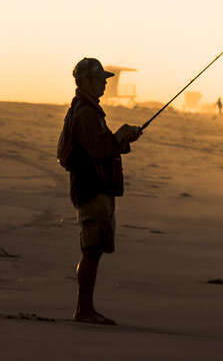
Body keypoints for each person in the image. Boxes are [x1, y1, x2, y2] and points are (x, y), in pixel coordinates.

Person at [57, 57, 142, 325]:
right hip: (91, 188)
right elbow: (98, 149)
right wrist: (120, 136)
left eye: (105, 81)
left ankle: (86, 308)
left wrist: (123, 139)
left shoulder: (89, 110)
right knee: (91, 250)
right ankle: (84, 310)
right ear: (84, 81)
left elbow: (102, 146)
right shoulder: (85, 113)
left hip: (96, 187)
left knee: (94, 249)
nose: (104, 85)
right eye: (99, 81)